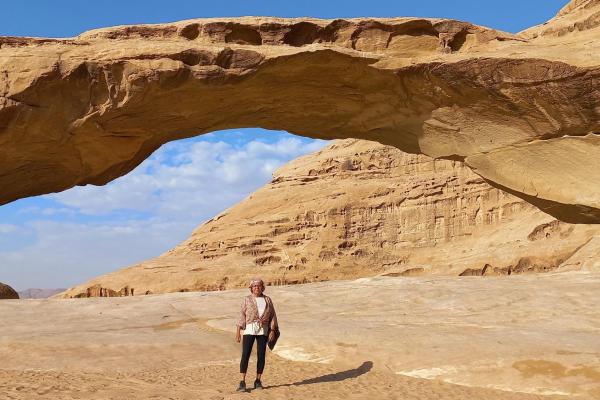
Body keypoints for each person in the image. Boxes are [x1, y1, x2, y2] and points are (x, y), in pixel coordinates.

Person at [235, 277, 278, 392]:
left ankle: (258, 381)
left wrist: (272, 330)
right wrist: (238, 331)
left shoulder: (267, 300)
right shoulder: (247, 300)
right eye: (254, 286)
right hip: (249, 329)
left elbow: (273, 315)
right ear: (251, 288)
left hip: (263, 330)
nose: (256, 288)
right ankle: (242, 382)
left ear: (262, 287)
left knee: (261, 355)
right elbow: (242, 315)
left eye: (258, 286)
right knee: (245, 355)